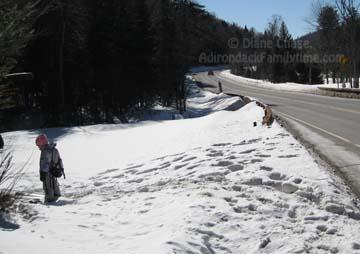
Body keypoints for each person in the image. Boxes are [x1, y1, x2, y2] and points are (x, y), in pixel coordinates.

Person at [35, 134, 63, 203]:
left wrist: (42, 174)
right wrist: (59, 168)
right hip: (54, 171)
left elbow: (45, 164)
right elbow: (59, 160)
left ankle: (49, 200)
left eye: (38, 145)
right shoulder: (53, 149)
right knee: (54, 183)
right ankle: (57, 195)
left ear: (42, 144)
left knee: (47, 186)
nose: (38, 147)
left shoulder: (45, 151)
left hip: (47, 173)